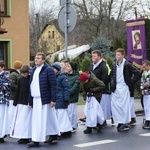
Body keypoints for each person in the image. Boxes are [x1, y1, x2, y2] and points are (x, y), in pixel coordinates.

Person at [27, 52, 60, 148]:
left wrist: (53, 99)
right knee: (49, 118)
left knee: (40, 120)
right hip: (35, 98)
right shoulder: (33, 70)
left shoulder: (48, 70)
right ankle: (54, 134)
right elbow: (31, 86)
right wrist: (30, 100)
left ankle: (36, 140)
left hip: (44, 98)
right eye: (35, 58)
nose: (36, 60)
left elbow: (53, 85)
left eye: (38, 58)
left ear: (43, 60)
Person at [110, 48, 141, 132]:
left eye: (119, 54)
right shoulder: (114, 64)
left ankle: (125, 123)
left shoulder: (127, 64)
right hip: (116, 87)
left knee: (124, 106)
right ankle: (120, 121)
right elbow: (112, 75)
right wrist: (112, 84)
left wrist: (131, 82)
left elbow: (137, 72)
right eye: (116, 54)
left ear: (123, 55)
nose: (117, 56)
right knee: (117, 106)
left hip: (124, 87)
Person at [10, 65, 32, 144]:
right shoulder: (20, 80)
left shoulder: (31, 79)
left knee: (28, 120)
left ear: (28, 72)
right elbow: (18, 91)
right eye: (22, 73)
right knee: (21, 120)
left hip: (27, 102)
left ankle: (28, 136)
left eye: (25, 73)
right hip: (20, 102)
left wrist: (31, 102)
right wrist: (15, 102)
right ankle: (23, 136)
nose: (23, 74)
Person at [91, 50, 111, 126]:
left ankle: (102, 121)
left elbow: (105, 79)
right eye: (92, 56)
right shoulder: (92, 66)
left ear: (99, 57)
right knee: (96, 107)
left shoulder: (103, 66)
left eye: (94, 56)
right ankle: (98, 121)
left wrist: (98, 85)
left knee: (102, 107)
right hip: (94, 90)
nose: (93, 57)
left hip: (102, 90)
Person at [52, 62, 72, 138]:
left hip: (61, 99)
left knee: (62, 116)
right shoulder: (55, 77)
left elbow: (67, 88)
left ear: (57, 69)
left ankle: (64, 130)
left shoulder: (62, 77)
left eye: (54, 68)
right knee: (59, 116)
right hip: (57, 99)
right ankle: (63, 130)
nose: (52, 70)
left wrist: (66, 99)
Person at [8, 60, 23, 131]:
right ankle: (11, 126)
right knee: (12, 112)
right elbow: (12, 85)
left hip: (15, 96)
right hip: (13, 96)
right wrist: (20, 88)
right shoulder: (13, 75)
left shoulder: (16, 74)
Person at [0, 60, 11, 143]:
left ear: (2, 67)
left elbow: (7, 88)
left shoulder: (5, 76)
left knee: (2, 118)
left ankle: (1, 135)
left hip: (2, 100)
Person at [67, 62, 80, 132]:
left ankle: (73, 125)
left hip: (72, 97)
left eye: (68, 66)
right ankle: (69, 125)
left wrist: (68, 92)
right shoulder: (66, 75)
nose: (67, 67)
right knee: (68, 113)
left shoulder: (76, 77)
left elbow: (75, 88)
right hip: (66, 97)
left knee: (72, 112)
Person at [140, 60, 150, 129]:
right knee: (145, 107)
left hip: (149, 92)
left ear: (148, 65)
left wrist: (148, 84)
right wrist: (142, 89)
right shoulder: (144, 73)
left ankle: (148, 120)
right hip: (145, 93)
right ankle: (147, 118)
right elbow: (141, 82)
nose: (144, 68)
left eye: (145, 66)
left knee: (148, 107)